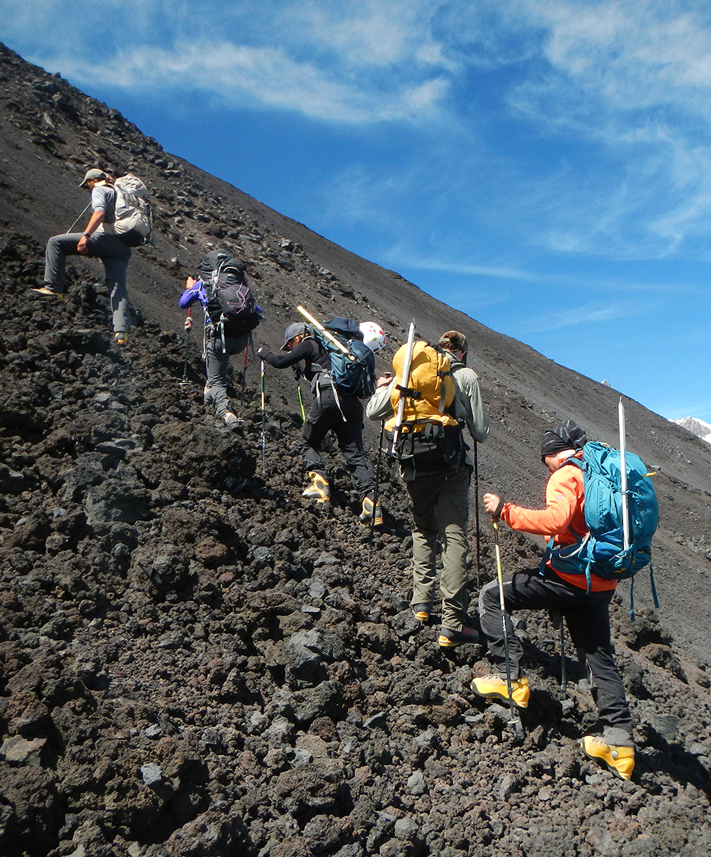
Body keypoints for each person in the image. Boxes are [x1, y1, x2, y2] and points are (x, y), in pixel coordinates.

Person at [474, 419, 636, 781]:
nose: (545, 465)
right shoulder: (602, 473)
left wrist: (505, 511)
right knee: (599, 657)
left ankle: (509, 678)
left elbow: (557, 521)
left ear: (551, 453)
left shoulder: (566, 474)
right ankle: (619, 743)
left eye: (544, 458)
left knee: (491, 596)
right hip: (601, 581)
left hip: (569, 578)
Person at [366, 330, 489, 648]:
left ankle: (421, 607)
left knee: (422, 530)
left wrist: (384, 387)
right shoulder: (464, 375)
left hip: (413, 465)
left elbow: (373, 412)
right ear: (461, 353)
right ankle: (452, 624)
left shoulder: (410, 371)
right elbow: (481, 432)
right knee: (453, 538)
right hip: (450, 467)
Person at [256, 323, 382, 524]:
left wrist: (265, 353)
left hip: (329, 397)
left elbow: (280, 362)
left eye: (290, 344)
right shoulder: (332, 350)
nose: (291, 349)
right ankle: (371, 502)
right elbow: (317, 366)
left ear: (298, 337)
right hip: (352, 404)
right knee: (355, 453)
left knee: (307, 442)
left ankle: (319, 483)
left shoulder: (310, 343)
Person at [33, 168, 133, 346]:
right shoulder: (121, 192)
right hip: (123, 247)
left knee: (56, 243)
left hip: (106, 238)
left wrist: (85, 236)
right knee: (118, 286)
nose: (87, 190)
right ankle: (121, 332)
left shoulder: (100, 189)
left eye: (87, 186)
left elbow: (100, 212)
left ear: (92, 180)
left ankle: (53, 289)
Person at [180, 250, 256, 428]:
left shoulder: (203, 284)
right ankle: (206, 403)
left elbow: (183, 303)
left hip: (217, 336)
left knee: (217, 380)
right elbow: (256, 311)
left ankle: (226, 413)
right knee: (214, 373)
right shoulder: (239, 286)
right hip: (240, 338)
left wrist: (190, 288)